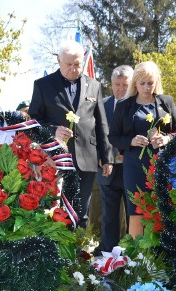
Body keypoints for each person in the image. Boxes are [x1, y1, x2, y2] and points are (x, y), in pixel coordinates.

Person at [28, 39, 112, 228]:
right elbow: (33, 122)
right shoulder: (43, 85)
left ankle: (78, 254)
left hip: (86, 158)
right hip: (53, 159)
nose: (74, 69)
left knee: (80, 212)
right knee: (52, 211)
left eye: (77, 64)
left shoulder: (94, 86)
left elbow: (101, 123)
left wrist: (107, 156)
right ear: (58, 61)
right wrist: (53, 131)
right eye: (69, 65)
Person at [108, 61, 176, 237]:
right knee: (136, 211)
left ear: (156, 82)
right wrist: (131, 141)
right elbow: (113, 137)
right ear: (135, 83)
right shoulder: (123, 106)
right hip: (134, 165)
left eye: (150, 83)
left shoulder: (167, 102)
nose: (146, 87)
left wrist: (166, 138)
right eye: (142, 83)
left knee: (162, 208)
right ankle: (137, 260)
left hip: (162, 164)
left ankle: (160, 254)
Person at [95, 64, 133, 254]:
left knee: (132, 214)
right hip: (107, 169)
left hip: (131, 168)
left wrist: (127, 153)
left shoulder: (138, 106)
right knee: (109, 216)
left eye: (125, 84)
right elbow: (95, 134)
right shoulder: (103, 105)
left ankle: (131, 254)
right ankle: (108, 254)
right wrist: (103, 157)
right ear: (111, 84)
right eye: (117, 84)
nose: (121, 89)